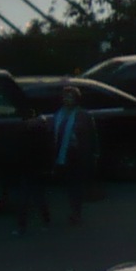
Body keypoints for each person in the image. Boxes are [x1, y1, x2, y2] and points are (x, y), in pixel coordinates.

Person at [49, 88, 100, 228]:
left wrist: (94, 154)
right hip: (62, 154)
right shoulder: (58, 115)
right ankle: (74, 209)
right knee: (68, 185)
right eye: (65, 97)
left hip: (77, 154)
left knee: (76, 185)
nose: (67, 99)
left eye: (70, 97)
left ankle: (76, 212)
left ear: (76, 99)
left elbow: (92, 136)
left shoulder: (84, 115)